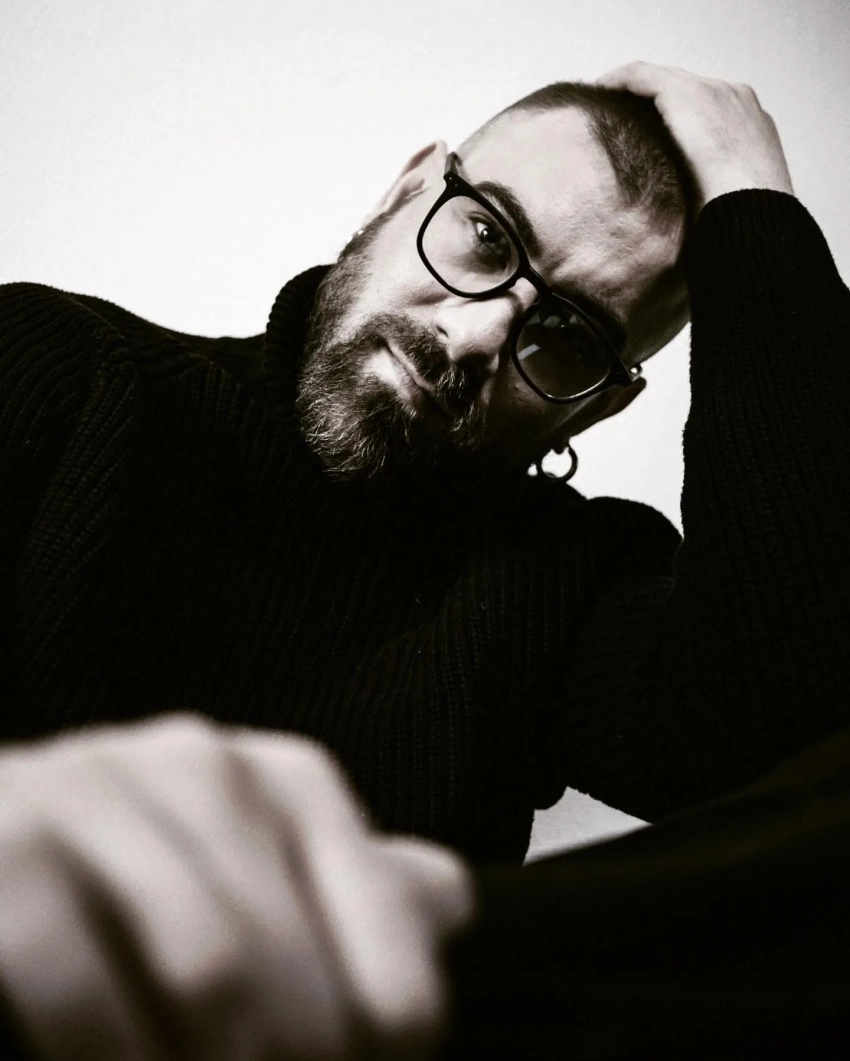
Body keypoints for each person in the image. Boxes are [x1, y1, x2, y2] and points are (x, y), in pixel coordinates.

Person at [0, 58, 847, 1058]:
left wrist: (756, 212)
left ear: (601, 404)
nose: (477, 332)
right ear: (405, 190)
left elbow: (787, 741)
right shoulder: (51, 368)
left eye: (570, 336)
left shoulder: (564, 584)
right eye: (487, 236)